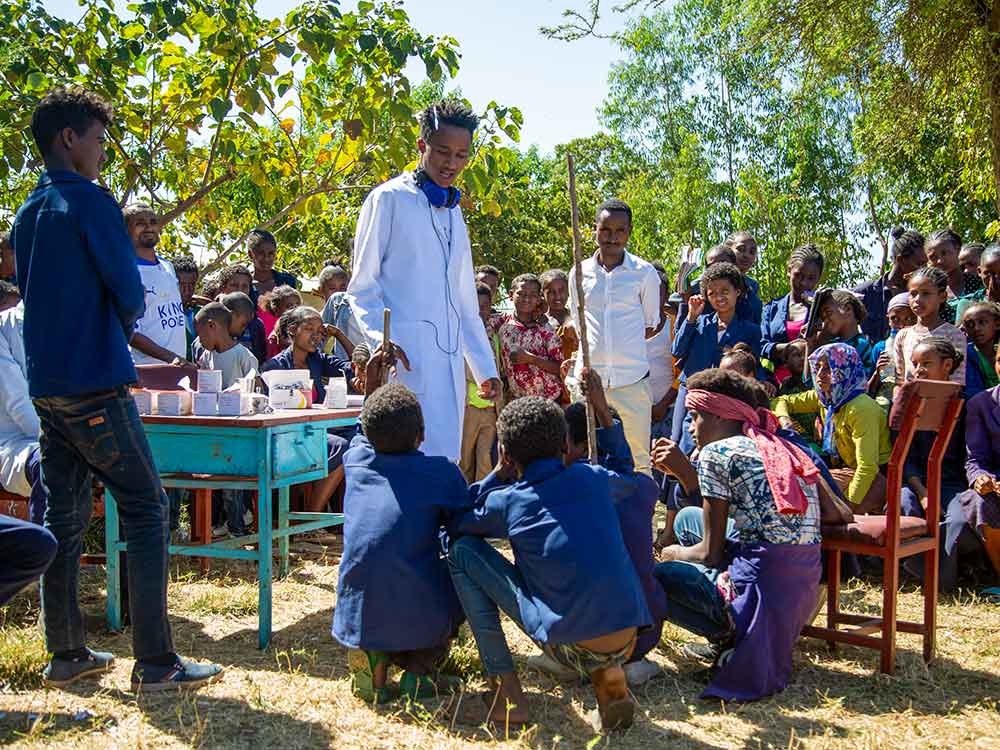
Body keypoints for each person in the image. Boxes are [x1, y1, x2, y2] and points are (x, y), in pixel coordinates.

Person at [11, 86, 221, 690]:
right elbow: (128, 292)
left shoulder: (27, 212)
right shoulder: (93, 203)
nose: (102, 151)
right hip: (97, 383)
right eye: (98, 140)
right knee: (148, 507)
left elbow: (33, 294)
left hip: (47, 385)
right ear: (68, 139)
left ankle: (67, 654)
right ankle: (157, 663)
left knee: (65, 519)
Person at [446, 396, 651, 731]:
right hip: (628, 636)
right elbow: (627, 474)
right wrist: (602, 411)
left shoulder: (508, 501)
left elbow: (456, 521)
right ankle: (609, 673)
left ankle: (507, 694)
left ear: (507, 455)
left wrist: (495, 476)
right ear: (566, 443)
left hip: (570, 645)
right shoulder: (594, 479)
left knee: (462, 551)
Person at [651, 368, 822, 702]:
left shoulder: (718, 453)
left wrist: (669, 552)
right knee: (688, 518)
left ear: (718, 416)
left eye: (694, 416)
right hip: (801, 585)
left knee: (658, 576)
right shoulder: (777, 444)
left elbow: (709, 555)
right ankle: (734, 624)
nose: (689, 427)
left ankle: (729, 635)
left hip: (764, 587)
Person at [347, 101, 500, 461]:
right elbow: (362, 287)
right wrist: (383, 341)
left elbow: (465, 302)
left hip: (448, 369)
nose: (452, 164)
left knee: (446, 462)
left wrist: (484, 367)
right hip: (406, 362)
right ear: (421, 146)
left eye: (462, 155)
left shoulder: (454, 212)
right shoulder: (387, 199)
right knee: (406, 462)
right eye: (443, 152)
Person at [334, 362, 467, 703]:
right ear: (421, 434)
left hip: (357, 613)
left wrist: (371, 386)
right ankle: (419, 672)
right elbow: (465, 525)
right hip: (417, 613)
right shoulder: (440, 473)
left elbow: (362, 433)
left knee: (383, 579)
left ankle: (374, 665)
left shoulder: (357, 461)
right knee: (461, 562)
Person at [562, 369, 667, 687]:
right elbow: (621, 468)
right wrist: (603, 411)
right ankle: (631, 661)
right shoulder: (642, 487)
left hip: (597, 633)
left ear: (580, 446)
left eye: (561, 442)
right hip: (645, 631)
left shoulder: (571, 491)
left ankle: (593, 660)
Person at [569, 199, 661, 475]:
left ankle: (636, 519)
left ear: (629, 232)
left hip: (631, 384)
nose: (612, 237)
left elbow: (650, 323)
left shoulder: (644, 273)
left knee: (638, 460)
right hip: (588, 381)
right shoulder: (579, 272)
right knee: (584, 457)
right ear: (595, 230)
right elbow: (578, 319)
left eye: (620, 230)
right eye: (605, 229)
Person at [773, 343, 891, 514]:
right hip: (850, 471)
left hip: (876, 478)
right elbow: (780, 401)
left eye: (828, 368)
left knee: (809, 487)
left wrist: (846, 507)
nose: (820, 375)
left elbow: (867, 468)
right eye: (818, 367)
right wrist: (785, 420)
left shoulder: (861, 408)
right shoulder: (826, 398)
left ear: (843, 370)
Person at [262, 306, 357, 512]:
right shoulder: (275, 366)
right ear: (293, 330)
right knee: (342, 446)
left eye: (319, 330)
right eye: (308, 329)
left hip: (318, 429)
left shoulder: (318, 360)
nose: (316, 335)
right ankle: (311, 514)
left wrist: (338, 334)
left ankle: (319, 515)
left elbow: (352, 368)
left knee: (356, 437)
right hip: (290, 434)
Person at [672, 262, 762, 454]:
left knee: (708, 445)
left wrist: (765, 383)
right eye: (712, 293)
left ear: (737, 291)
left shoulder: (750, 330)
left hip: (723, 396)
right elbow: (677, 350)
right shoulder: (700, 322)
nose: (719, 297)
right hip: (689, 389)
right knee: (679, 442)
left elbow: (753, 366)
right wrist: (690, 318)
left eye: (724, 291)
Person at [898, 338, 967, 525]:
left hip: (950, 482)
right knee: (906, 508)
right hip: (914, 483)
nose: (919, 370)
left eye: (926, 364)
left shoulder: (964, 404)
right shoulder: (906, 405)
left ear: (947, 365)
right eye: (915, 364)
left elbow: (967, 456)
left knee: (957, 522)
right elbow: (904, 459)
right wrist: (923, 494)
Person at [953, 347, 1000, 583]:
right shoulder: (981, 404)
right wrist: (980, 478)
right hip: (996, 481)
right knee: (980, 501)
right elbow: (975, 458)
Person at [123, 203, 189, 366]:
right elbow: (130, 331)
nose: (149, 227)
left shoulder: (168, 266)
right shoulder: (126, 270)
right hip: (146, 368)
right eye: (140, 223)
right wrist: (170, 357)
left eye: (153, 222)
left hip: (176, 367)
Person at [0, 301, 46, 526]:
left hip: (80, 439)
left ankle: (133, 562)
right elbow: (19, 405)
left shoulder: (82, 321)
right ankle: (50, 559)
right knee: (51, 463)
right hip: (19, 443)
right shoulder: (3, 327)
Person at [893, 265, 967, 387]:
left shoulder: (953, 334)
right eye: (913, 294)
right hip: (909, 403)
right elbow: (900, 381)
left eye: (925, 293)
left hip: (942, 401)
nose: (917, 299)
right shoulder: (903, 336)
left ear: (942, 296)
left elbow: (957, 383)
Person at [761, 244, 824, 378]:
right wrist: (790, 348)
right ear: (789, 270)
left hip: (814, 383)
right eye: (798, 275)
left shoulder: (824, 310)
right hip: (775, 384)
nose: (804, 283)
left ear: (819, 278)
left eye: (811, 278)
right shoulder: (771, 309)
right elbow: (762, 345)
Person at [855, 226, 927, 343]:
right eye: (919, 264)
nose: (923, 269)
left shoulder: (922, 295)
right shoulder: (864, 293)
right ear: (901, 260)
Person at [498, 274, 563, 401]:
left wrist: (531, 359)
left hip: (549, 400)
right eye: (521, 294)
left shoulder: (546, 328)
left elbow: (560, 368)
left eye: (533, 295)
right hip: (516, 400)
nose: (526, 299)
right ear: (511, 295)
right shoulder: (500, 323)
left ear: (539, 299)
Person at [460, 283, 500, 483]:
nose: (480, 311)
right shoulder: (460, 338)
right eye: (476, 306)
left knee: (485, 460)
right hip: (469, 409)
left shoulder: (494, 336)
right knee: (464, 460)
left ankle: (482, 501)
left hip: (490, 410)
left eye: (485, 306)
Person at [194, 303, 258, 390]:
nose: (199, 340)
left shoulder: (242, 354)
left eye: (199, 334)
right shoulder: (206, 355)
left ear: (211, 325)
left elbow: (257, 387)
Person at [926, 228, 983, 323]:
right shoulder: (929, 291)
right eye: (933, 257)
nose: (940, 261)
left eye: (944, 253)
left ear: (957, 250)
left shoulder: (978, 282)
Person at [812, 289, 876, 374]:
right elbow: (808, 381)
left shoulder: (861, 344)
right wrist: (813, 345)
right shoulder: (828, 344)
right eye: (823, 319)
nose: (826, 322)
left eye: (828, 313)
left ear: (848, 309)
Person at [247, 228, 298, 304]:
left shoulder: (287, 281)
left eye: (271, 254)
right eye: (261, 253)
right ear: (250, 254)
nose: (266, 258)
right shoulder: (244, 284)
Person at [218, 286, 266, 365]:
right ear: (232, 315)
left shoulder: (254, 329)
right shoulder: (211, 340)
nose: (243, 329)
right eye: (243, 324)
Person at [962, 302, 1000, 400]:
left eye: (982, 322)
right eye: (969, 324)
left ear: (997, 324)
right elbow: (971, 392)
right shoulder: (966, 355)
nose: (976, 328)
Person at [725, 230, 764, 323]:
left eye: (752, 252)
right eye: (741, 249)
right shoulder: (707, 283)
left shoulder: (753, 286)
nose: (747, 255)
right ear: (728, 250)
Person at [539, 268, 578, 361]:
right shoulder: (538, 322)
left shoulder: (577, 319)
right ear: (542, 294)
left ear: (569, 292)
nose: (557, 296)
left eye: (561, 290)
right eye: (551, 292)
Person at [260, 284, 302, 359]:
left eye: (297, 305)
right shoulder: (280, 328)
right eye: (289, 306)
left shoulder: (299, 326)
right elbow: (286, 342)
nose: (294, 309)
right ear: (276, 310)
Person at [172, 256, 200, 361]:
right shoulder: (161, 314)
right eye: (181, 284)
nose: (187, 290)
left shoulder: (199, 312)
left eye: (192, 284)